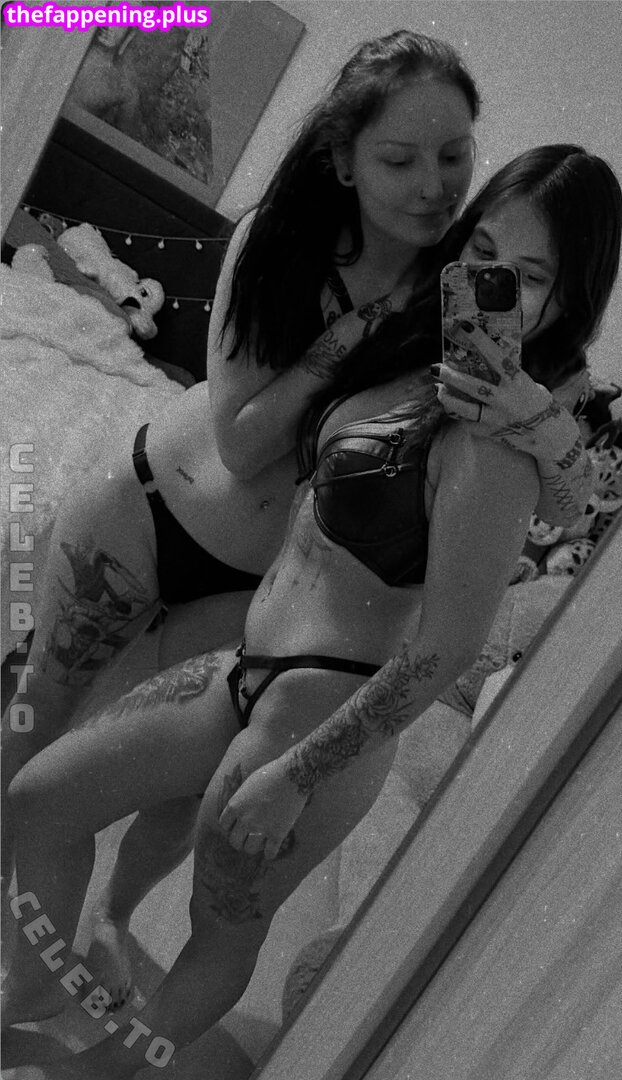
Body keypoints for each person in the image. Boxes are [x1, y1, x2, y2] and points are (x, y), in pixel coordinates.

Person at [2, 29, 592, 1007]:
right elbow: (241, 445)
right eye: (395, 157)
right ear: (343, 156)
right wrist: (353, 336)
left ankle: (86, 942)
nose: (427, 185)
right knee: (39, 715)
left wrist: (536, 416)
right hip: (148, 509)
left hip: (258, 586)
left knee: (160, 787)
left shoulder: (473, 285)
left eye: (448, 155)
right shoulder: (274, 241)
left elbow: (573, 498)